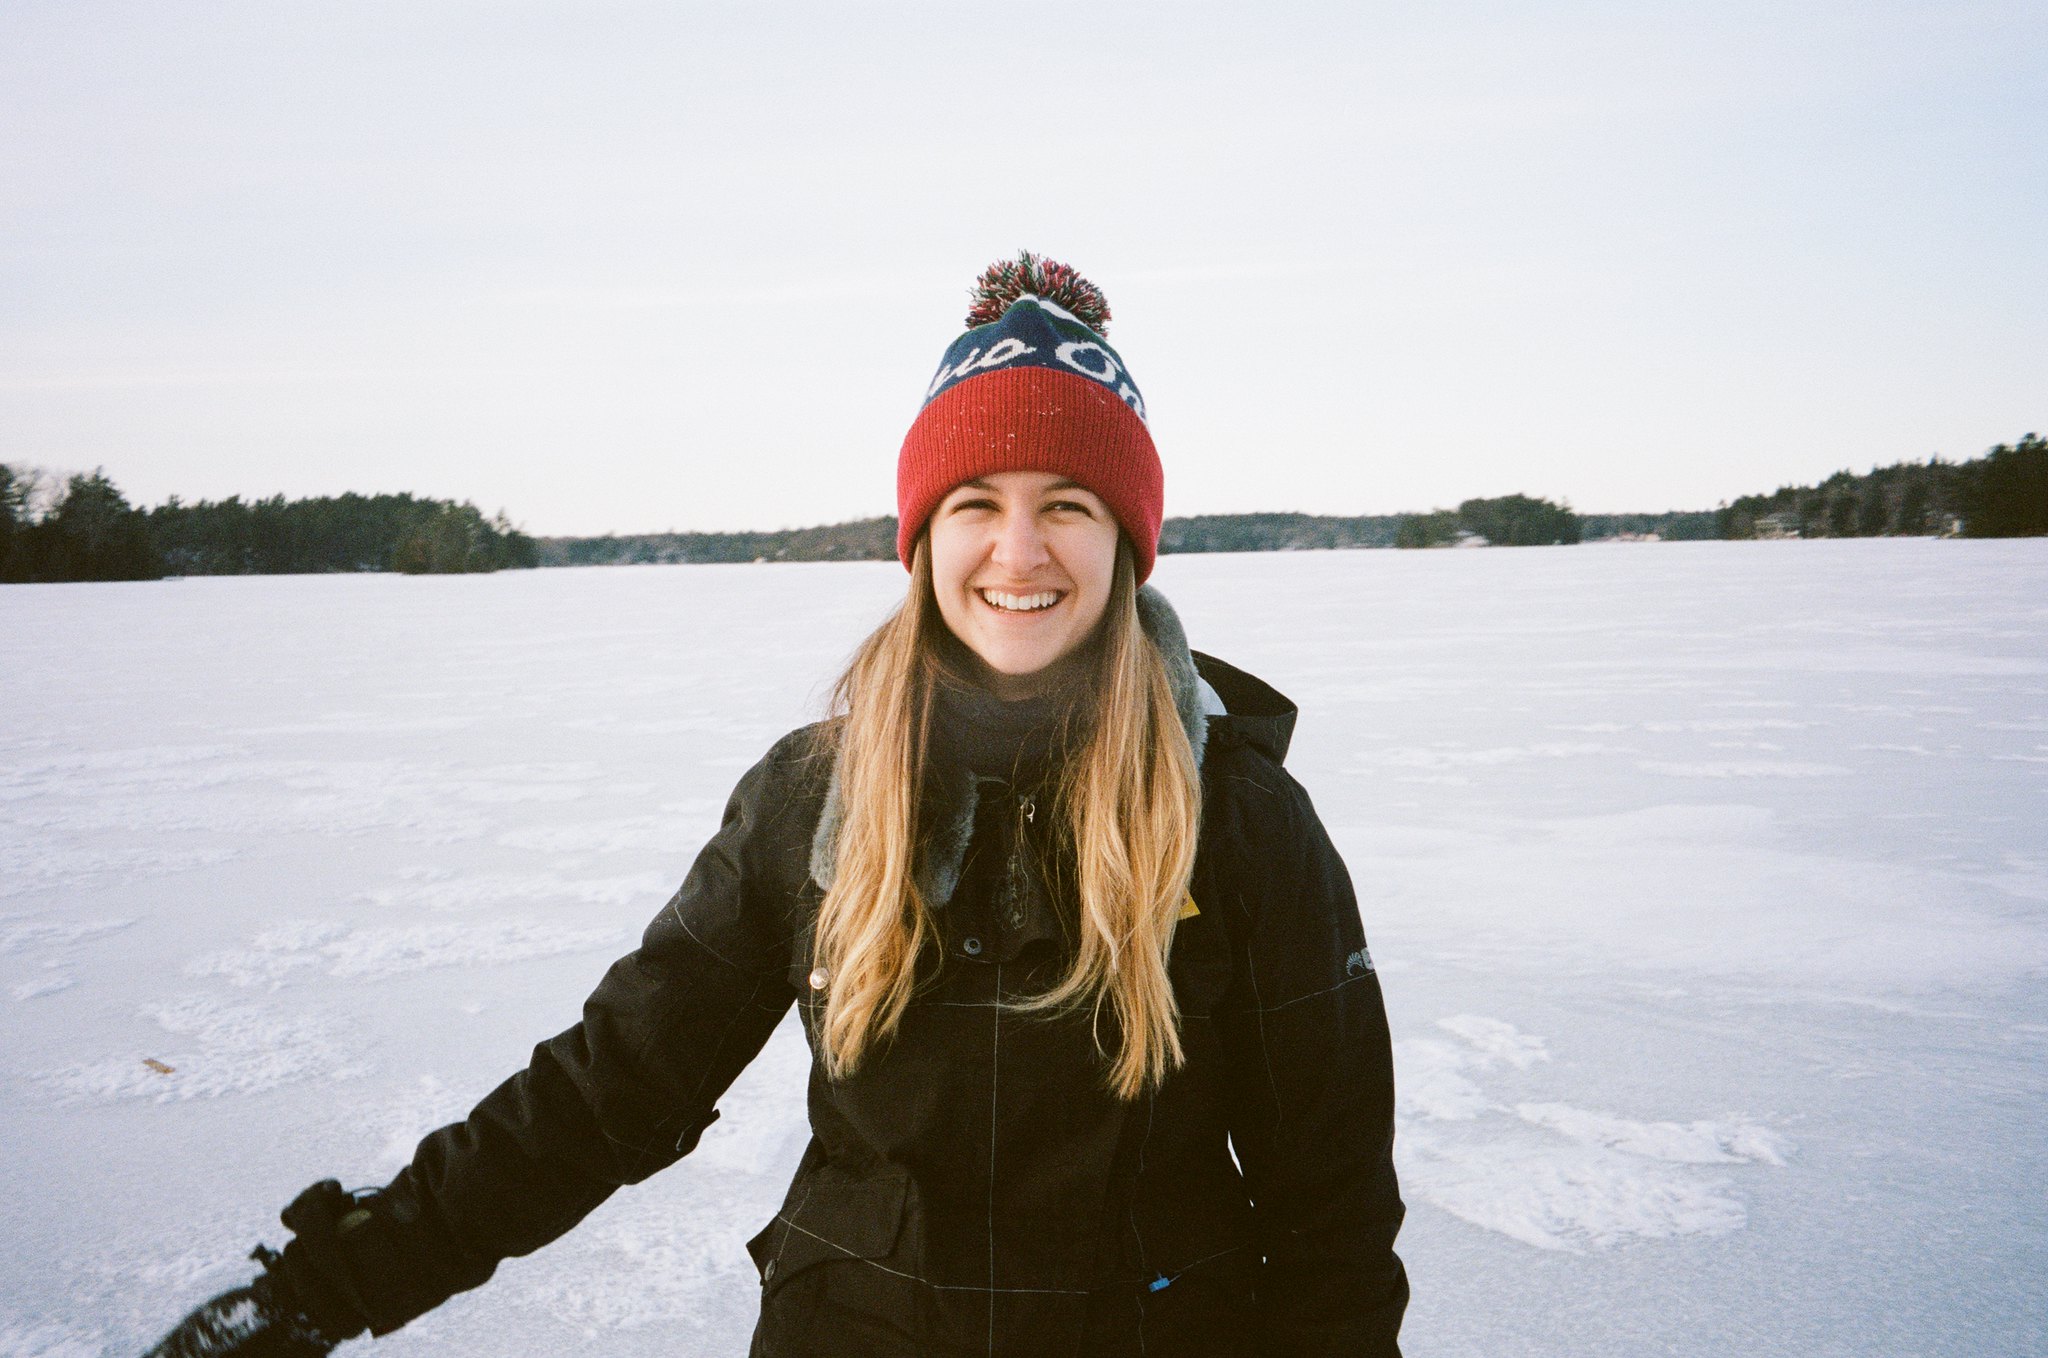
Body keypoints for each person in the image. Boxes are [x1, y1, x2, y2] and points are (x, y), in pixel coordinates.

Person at [142, 252, 1408, 1358]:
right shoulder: (810, 797)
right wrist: (330, 1285)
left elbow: (1330, 1207)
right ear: (922, 538)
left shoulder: (1237, 819)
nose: (1017, 551)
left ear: (1124, 540)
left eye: (1065, 505)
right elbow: (610, 1087)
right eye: (975, 503)